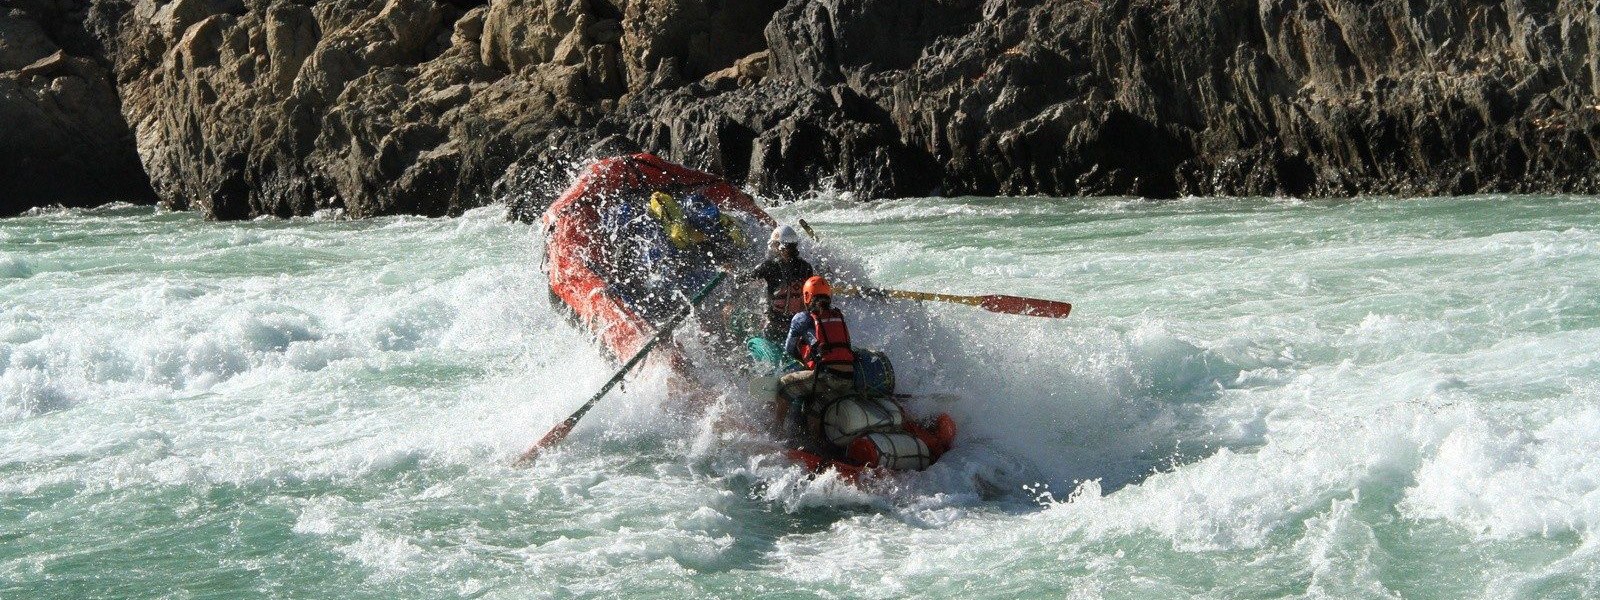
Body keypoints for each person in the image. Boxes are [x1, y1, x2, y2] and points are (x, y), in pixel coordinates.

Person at [775, 276, 857, 450]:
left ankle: (775, 432)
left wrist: (805, 358)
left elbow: (789, 348)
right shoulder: (838, 316)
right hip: (848, 378)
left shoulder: (802, 318)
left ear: (806, 297)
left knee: (783, 386)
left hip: (826, 376)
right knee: (816, 404)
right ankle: (817, 445)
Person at [747, 225, 814, 341]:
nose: (773, 248)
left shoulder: (769, 266)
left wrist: (731, 272)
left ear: (780, 247)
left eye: (774, 245)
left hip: (774, 326)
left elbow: (744, 278)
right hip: (798, 325)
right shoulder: (807, 267)